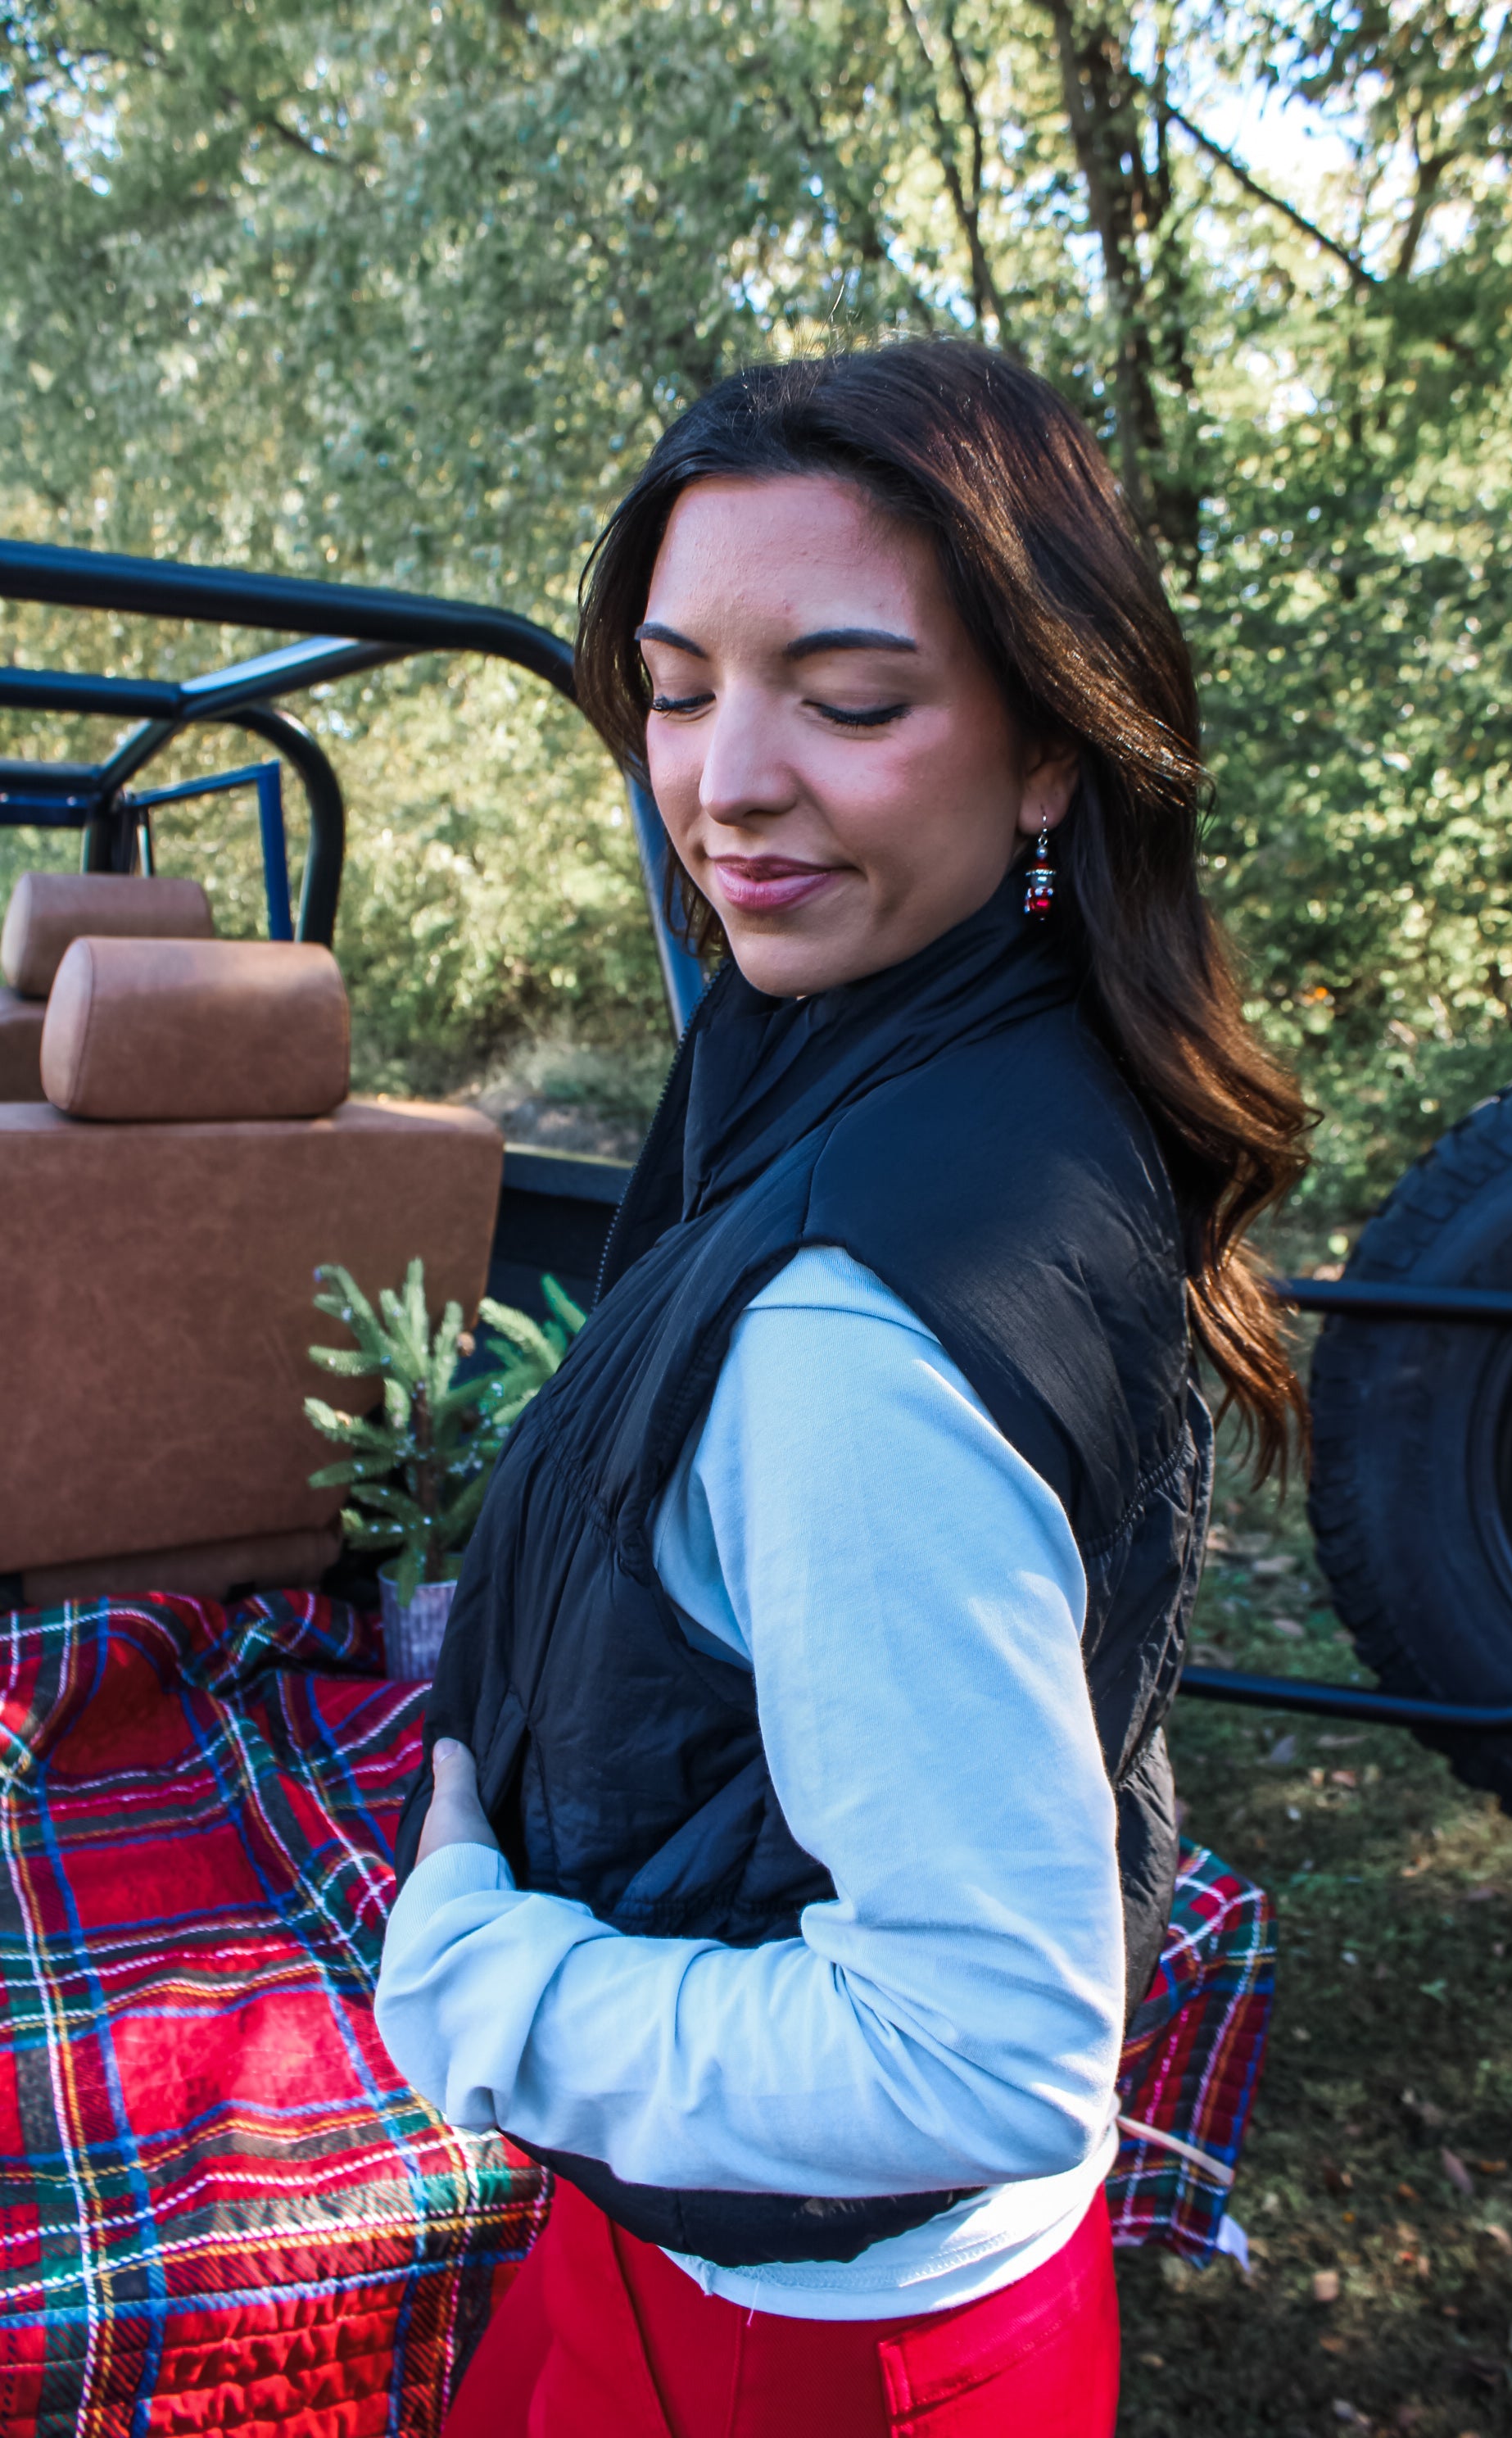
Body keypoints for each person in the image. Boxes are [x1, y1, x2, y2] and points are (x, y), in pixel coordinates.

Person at [373, 340, 1309, 2436]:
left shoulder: (846, 1331)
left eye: (850, 700)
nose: (722, 782)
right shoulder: (1003, 1056)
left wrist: (478, 1981)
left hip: (796, 2345)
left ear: (1050, 748)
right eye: (675, 687)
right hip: (791, 2265)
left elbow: (980, 2051)